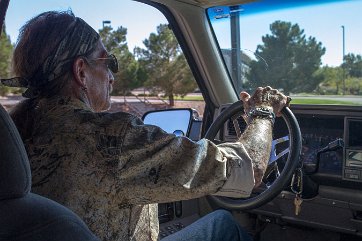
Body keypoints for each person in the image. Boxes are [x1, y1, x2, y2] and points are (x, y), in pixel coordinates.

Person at [2, 11, 290, 241]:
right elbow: (249, 169)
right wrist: (264, 112)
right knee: (224, 224)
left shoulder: (12, 134)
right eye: (108, 62)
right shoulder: (114, 139)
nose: (112, 76)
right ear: (80, 71)